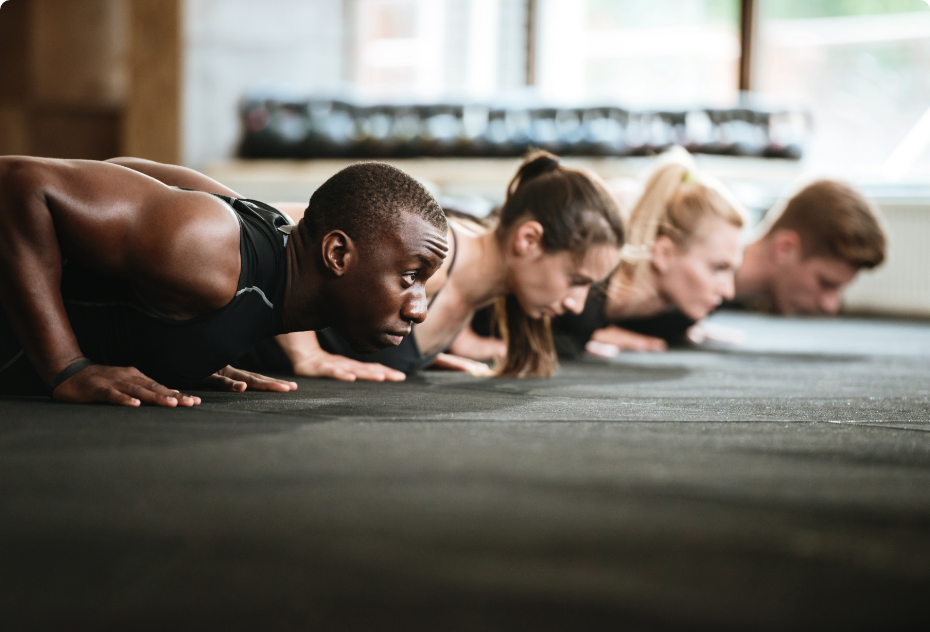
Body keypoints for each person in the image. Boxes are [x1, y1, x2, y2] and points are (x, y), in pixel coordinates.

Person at [0, 156, 448, 405]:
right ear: (337, 254)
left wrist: (183, 352)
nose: (418, 308)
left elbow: (120, 169)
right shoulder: (210, 246)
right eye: (410, 276)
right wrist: (67, 366)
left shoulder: (248, 235)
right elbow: (19, 182)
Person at [241, 151, 625, 379]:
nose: (576, 303)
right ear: (528, 240)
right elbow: (276, 228)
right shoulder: (437, 255)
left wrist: (408, 354)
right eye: (575, 280)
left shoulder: (473, 292)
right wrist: (307, 354)